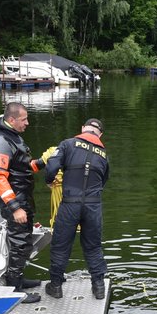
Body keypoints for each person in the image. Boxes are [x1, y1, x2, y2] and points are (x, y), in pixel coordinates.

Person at [0, 102, 46, 303]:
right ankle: (14, 289)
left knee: (24, 241)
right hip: (15, 200)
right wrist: (15, 207)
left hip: (24, 197)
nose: (27, 123)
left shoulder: (13, 138)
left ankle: (18, 278)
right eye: (24, 119)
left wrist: (44, 161)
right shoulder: (0, 142)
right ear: (11, 120)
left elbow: (24, 167)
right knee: (19, 242)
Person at [43, 117, 110, 300]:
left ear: (83, 128)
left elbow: (51, 165)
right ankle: (99, 288)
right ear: (100, 134)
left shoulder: (67, 144)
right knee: (94, 247)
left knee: (61, 245)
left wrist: (49, 181)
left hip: (70, 204)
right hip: (93, 205)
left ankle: (55, 286)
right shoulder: (103, 154)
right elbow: (104, 180)